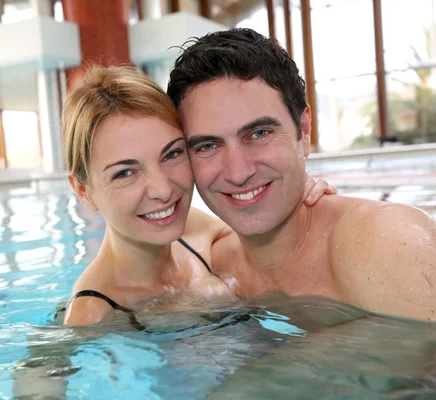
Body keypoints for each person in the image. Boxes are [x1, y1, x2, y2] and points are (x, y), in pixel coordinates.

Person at [166, 28, 436, 321]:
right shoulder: (210, 268)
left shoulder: (390, 245)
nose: (238, 172)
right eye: (207, 145)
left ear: (303, 130)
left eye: (259, 133)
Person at [61, 65, 335, 326]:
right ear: (84, 192)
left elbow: (268, 242)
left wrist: (296, 196)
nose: (163, 190)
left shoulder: (197, 231)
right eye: (124, 173)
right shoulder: (94, 315)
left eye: (172, 154)